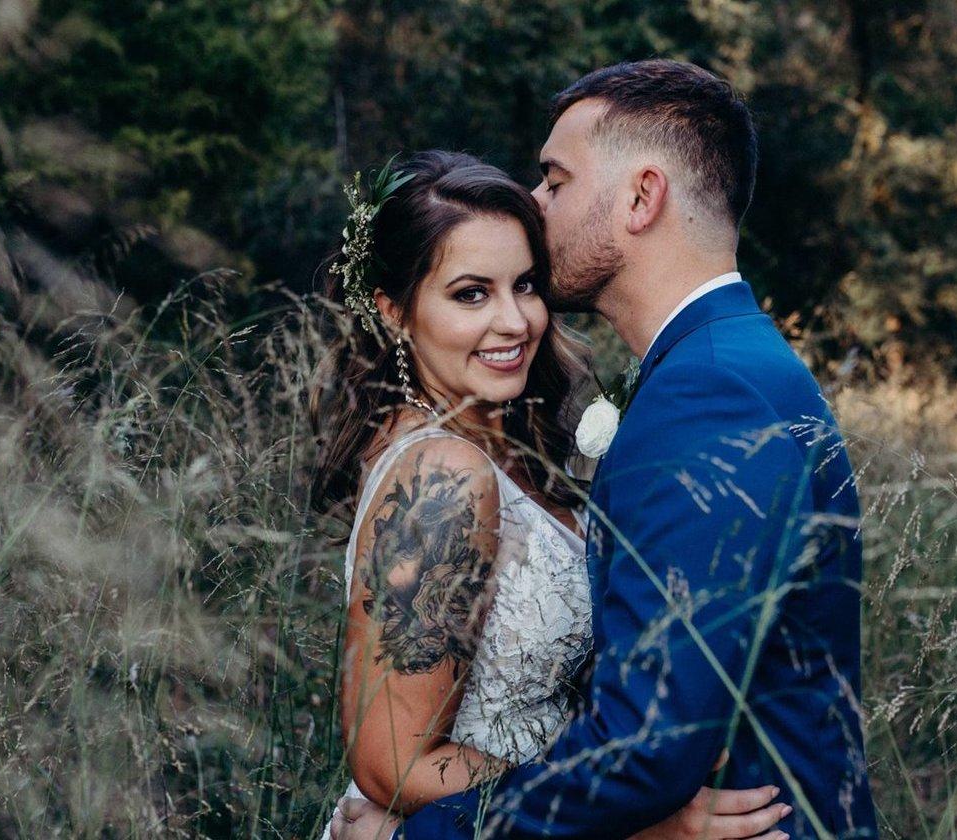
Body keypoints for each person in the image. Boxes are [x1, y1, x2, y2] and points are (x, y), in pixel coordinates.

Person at [334, 60, 878, 839]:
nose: (536, 201)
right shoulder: (734, 365)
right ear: (396, 311)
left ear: (641, 197)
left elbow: (653, 743)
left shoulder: (704, 392)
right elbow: (393, 754)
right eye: (471, 292)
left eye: (555, 180)